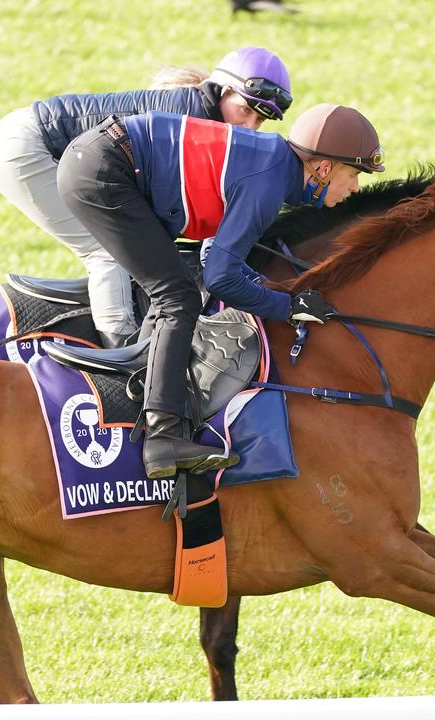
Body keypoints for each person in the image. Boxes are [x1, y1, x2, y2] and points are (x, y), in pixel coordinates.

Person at [56, 104, 385, 478]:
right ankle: (163, 436)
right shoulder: (269, 181)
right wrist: (288, 307)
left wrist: (277, 294)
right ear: (323, 168)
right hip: (105, 168)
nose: (357, 187)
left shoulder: (273, 168)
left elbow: (226, 261)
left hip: (103, 159)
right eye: (354, 174)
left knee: (174, 285)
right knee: (177, 297)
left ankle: (146, 395)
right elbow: (221, 279)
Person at [0, 48, 294, 348]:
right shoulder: (197, 121)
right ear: (223, 90)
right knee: (106, 252)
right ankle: (120, 354)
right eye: (246, 110)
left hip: (35, 140)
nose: (250, 126)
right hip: (26, 147)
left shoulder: (202, 116)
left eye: (261, 120)